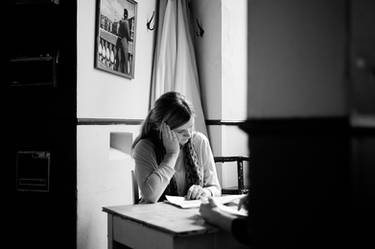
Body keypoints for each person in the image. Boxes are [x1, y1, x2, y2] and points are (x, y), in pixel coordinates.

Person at [132, 91, 221, 203]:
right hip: (156, 217)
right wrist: (172, 154)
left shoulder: (199, 141)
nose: (188, 134)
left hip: (190, 215)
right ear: (161, 129)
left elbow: (215, 188)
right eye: (181, 131)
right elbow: (150, 197)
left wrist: (205, 192)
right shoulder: (145, 148)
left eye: (191, 127)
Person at [117, 8, 132, 74]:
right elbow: (128, 34)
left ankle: (119, 71)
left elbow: (118, 32)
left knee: (119, 58)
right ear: (126, 15)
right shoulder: (126, 22)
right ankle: (124, 73)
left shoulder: (120, 22)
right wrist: (130, 39)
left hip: (119, 40)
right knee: (125, 59)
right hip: (124, 41)